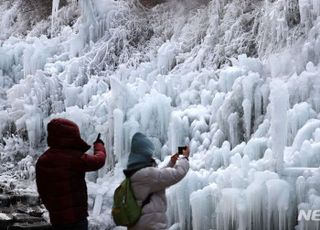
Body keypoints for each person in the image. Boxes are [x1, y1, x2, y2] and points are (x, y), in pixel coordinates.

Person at [35, 118, 106, 230]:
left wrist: (53, 210)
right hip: (76, 218)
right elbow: (98, 161)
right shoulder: (73, 158)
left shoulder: (43, 159)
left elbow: (42, 190)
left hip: (57, 218)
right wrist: (99, 146)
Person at [123, 132, 190, 230]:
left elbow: (156, 179)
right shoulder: (147, 175)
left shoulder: (135, 172)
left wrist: (171, 163)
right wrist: (184, 158)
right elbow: (177, 173)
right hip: (150, 226)